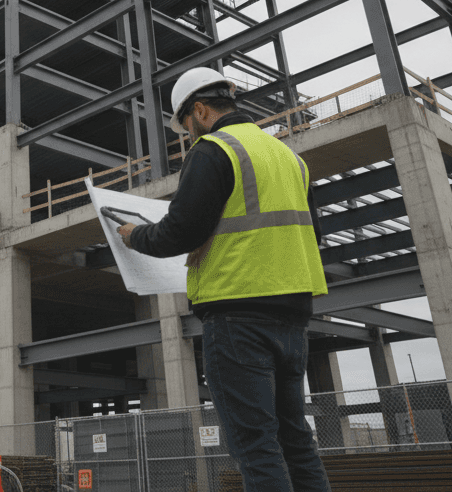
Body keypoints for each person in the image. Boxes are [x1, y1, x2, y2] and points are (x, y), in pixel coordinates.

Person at [116, 66, 331, 492]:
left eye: (185, 127)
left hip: (237, 315)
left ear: (198, 110)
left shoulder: (213, 149)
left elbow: (178, 231)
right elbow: (309, 233)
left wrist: (133, 234)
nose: (188, 137)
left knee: (256, 446)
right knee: (297, 441)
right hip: (293, 317)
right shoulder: (288, 156)